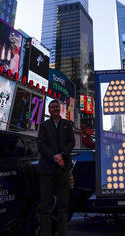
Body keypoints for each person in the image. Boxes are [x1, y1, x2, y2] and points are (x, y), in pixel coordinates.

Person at [37, 99, 74, 236]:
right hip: (46, 171)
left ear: (60, 109)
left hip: (63, 170)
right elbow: (40, 145)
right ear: (49, 110)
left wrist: (62, 155)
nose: (55, 109)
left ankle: (62, 233)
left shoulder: (67, 124)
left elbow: (71, 142)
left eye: (56, 107)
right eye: (52, 107)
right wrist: (55, 157)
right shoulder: (44, 125)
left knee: (63, 207)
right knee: (45, 207)